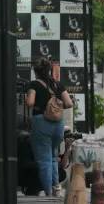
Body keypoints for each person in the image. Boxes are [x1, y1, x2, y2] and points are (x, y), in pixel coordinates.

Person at [25, 57, 73, 197]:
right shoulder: (57, 84)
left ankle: (48, 193)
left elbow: (30, 103)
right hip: (58, 125)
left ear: (36, 71)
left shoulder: (34, 84)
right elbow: (69, 103)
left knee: (44, 160)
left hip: (41, 124)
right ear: (49, 70)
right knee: (53, 158)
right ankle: (56, 188)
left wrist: (29, 98)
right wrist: (56, 107)